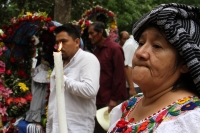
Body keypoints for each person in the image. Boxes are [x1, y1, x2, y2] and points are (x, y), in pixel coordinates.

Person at [108, 3, 200, 133]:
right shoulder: (130, 105)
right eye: (141, 43)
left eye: (157, 46)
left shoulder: (190, 120)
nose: (140, 53)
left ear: (185, 63)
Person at [46, 24, 100, 133]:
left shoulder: (88, 59)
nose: (59, 46)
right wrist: (49, 126)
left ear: (76, 42)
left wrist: (63, 80)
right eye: (57, 42)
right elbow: (53, 99)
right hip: (56, 127)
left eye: (64, 41)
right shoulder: (59, 63)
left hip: (77, 127)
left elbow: (90, 90)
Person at [88, 22, 126, 133]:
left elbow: (119, 75)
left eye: (92, 33)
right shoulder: (96, 51)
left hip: (109, 99)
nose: (89, 37)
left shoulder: (115, 49)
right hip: (97, 98)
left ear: (101, 32)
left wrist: (114, 99)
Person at [122, 32, 141, 98]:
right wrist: (132, 88)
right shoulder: (130, 45)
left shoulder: (136, 43)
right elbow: (127, 67)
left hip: (139, 84)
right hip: (134, 86)